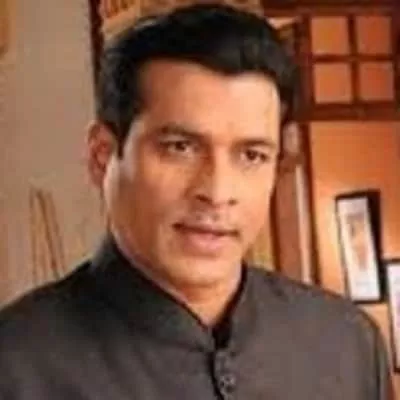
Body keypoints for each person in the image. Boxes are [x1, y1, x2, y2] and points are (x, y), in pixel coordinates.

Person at [0, 3, 393, 399]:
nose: (218, 192)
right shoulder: (17, 365)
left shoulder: (346, 345)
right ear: (103, 156)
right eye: (180, 147)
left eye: (251, 155)